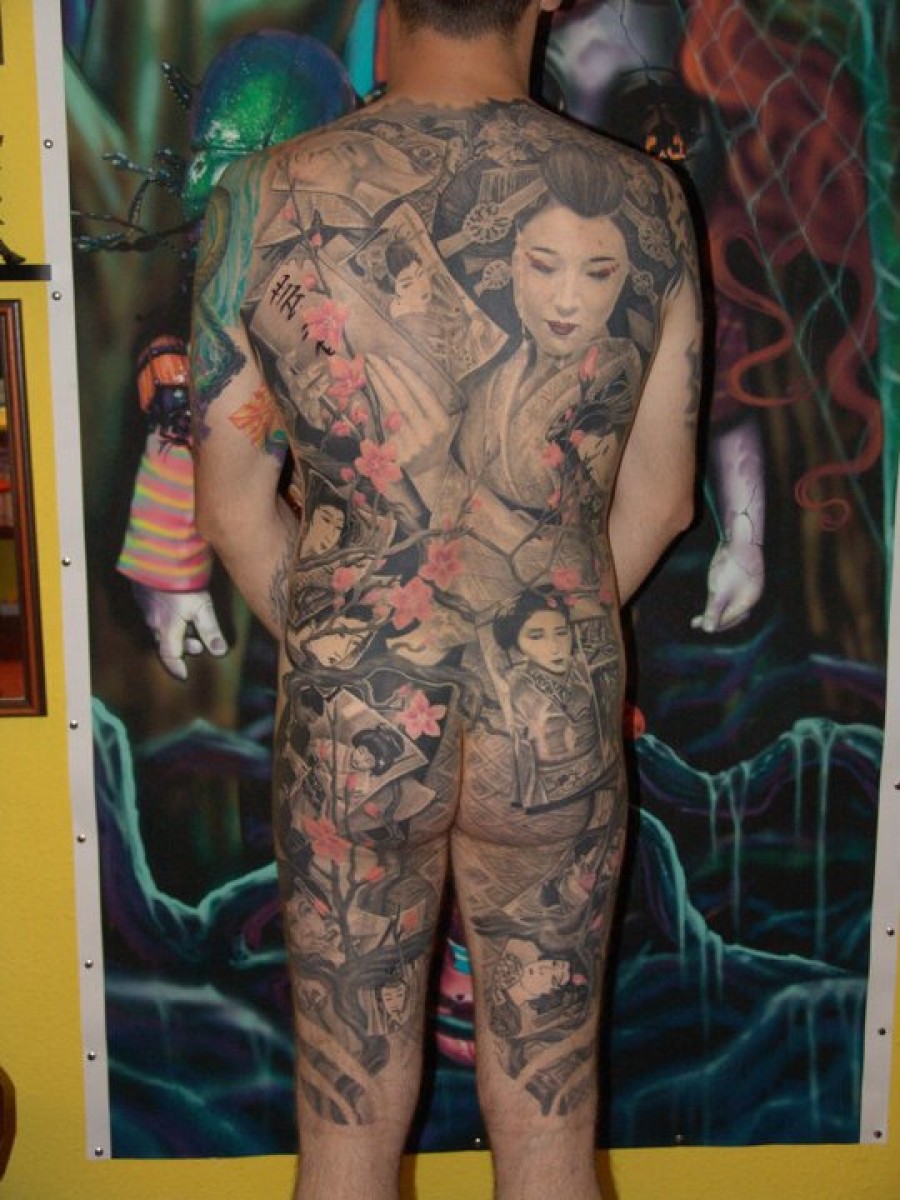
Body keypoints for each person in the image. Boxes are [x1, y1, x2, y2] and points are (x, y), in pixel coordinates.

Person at [190, 2, 700, 1197]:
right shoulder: (644, 203)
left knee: (347, 1137)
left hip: (355, 709)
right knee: (549, 1129)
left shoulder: (263, 194)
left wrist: (358, 636)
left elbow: (231, 507)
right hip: (549, 707)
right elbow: (664, 500)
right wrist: (533, 617)